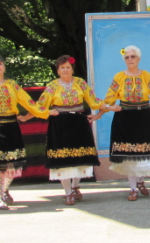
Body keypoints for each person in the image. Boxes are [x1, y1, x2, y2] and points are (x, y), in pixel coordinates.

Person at [24, 55, 107, 206]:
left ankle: (75, 186)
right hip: (60, 124)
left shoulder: (81, 83)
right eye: (62, 68)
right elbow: (40, 105)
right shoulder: (52, 86)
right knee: (63, 159)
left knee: (80, 157)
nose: (65, 70)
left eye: (68, 67)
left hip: (79, 122)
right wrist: (46, 112)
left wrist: (104, 110)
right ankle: (68, 193)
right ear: (58, 70)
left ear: (72, 69)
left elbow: (93, 100)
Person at [0, 55, 50, 210]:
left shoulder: (12, 85)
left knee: (11, 164)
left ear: (4, 67)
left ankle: (4, 189)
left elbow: (28, 101)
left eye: (0, 63)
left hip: (10, 125)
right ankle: (0, 198)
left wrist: (45, 112)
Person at [103, 45, 150, 201]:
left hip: (143, 118)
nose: (130, 60)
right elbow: (109, 97)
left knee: (142, 153)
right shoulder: (119, 77)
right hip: (124, 118)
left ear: (139, 58)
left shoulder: (146, 76)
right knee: (129, 155)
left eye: (133, 57)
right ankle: (133, 189)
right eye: (127, 57)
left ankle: (141, 182)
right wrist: (103, 110)